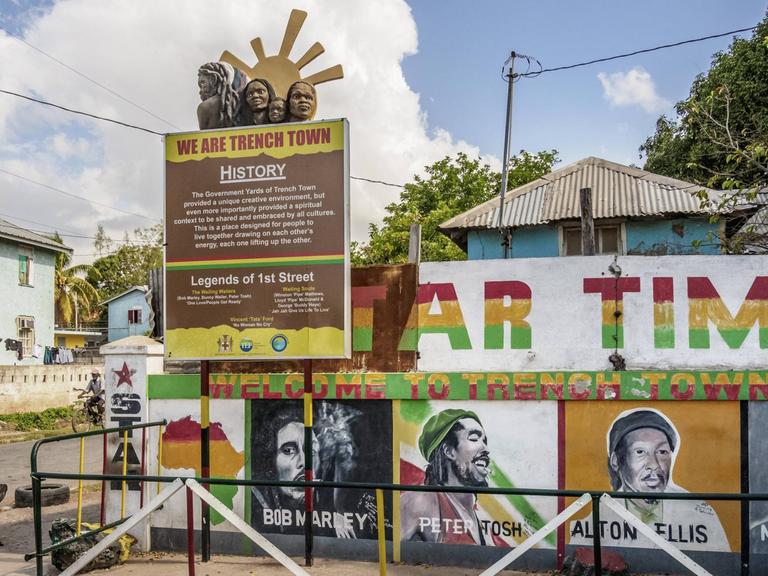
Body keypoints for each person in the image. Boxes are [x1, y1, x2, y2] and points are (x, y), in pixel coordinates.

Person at [569, 408, 729, 551]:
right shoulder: (597, 518)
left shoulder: (699, 514)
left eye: (662, 452)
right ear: (616, 461)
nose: (654, 465)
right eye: (640, 452)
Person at [400, 409, 490, 545]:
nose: (486, 449)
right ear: (449, 451)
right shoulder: (418, 502)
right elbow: (391, 555)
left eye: (484, 441)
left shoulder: (475, 514)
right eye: (474, 438)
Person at [196, 62, 239, 130]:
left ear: (213, 80)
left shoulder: (204, 107)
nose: (200, 90)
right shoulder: (243, 101)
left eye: (202, 82)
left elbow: (204, 138)